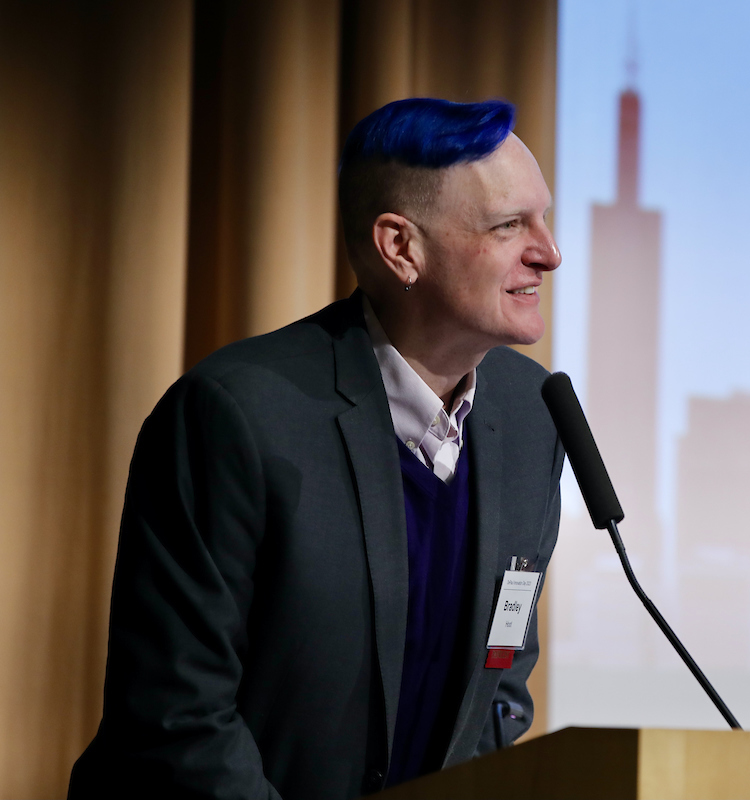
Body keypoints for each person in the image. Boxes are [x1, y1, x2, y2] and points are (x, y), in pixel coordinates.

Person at [68, 98, 564, 800]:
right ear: (401, 247)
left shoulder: (532, 415)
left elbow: (500, 685)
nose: (549, 251)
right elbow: (179, 718)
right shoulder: (236, 416)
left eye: (544, 219)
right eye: (510, 225)